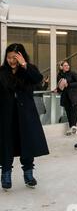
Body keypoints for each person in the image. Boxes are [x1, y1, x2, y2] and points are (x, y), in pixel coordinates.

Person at [0, 43, 49, 191]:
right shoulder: (1, 72)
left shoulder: (28, 70)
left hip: (25, 115)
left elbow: (38, 79)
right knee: (6, 145)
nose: (12, 61)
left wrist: (25, 65)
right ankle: (6, 174)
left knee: (26, 143)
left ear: (21, 56)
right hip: (6, 115)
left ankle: (28, 174)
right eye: (9, 58)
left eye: (15, 57)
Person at [57, 61, 77, 136]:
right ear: (61, 67)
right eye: (65, 65)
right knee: (68, 113)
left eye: (68, 65)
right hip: (66, 97)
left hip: (74, 96)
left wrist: (69, 84)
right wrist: (57, 89)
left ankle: (74, 126)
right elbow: (60, 85)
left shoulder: (73, 73)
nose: (67, 66)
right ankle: (72, 127)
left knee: (74, 111)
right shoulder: (60, 75)